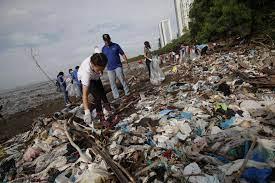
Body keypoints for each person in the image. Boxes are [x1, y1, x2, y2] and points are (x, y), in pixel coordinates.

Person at [78, 52, 111, 126]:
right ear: (93, 65)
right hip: (90, 78)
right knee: (97, 97)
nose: (100, 72)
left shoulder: (99, 58)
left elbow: (97, 51)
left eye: (102, 69)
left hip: (95, 75)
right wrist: (87, 112)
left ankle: (108, 108)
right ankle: (101, 118)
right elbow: (84, 95)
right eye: (99, 69)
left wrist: (100, 71)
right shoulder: (86, 74)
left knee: (102, 92)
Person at [102, 34, 130, 100]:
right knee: (112, 83)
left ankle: (127, 92)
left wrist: (127, 62)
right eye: (105, 40)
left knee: (122, 79)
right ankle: (116, 96)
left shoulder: (115, 45)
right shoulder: (103, 49)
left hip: (118, 66)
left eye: (108, 39)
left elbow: (122, 54)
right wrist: (102, 69)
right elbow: (103, 59)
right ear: (104, 40)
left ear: (110, 39)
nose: (107, 41)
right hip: (109, 68)